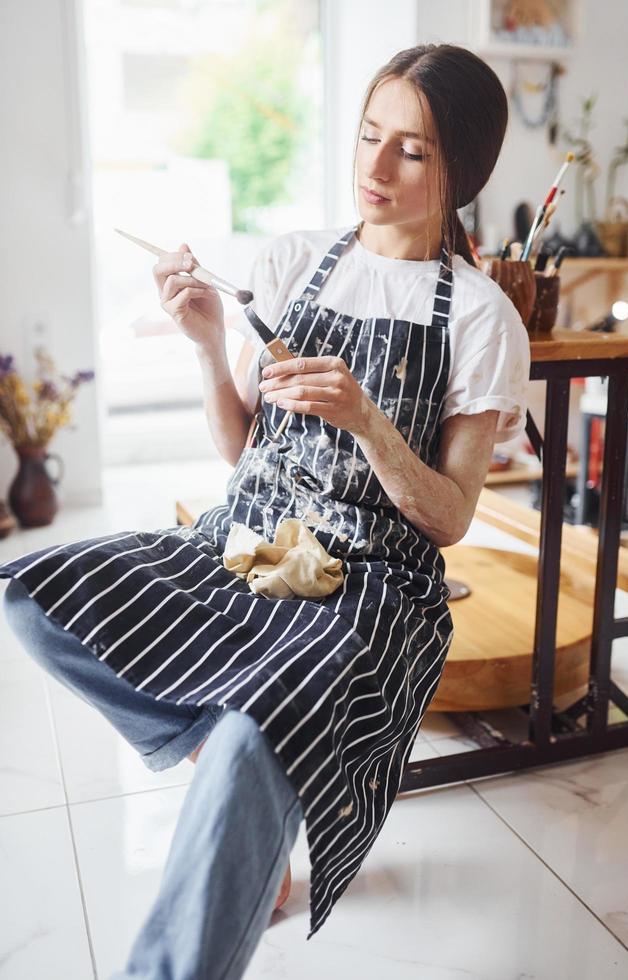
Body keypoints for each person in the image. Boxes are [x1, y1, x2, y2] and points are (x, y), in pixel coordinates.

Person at [1, 42, 530, 979]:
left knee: (257, 730)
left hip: (371, 586)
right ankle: (239, 756)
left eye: (411, 150)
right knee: (34, 598)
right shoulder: (295, 262)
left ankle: (236, 810)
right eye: (369, 135)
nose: (373, 168)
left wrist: (367, 419)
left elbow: (448, 519)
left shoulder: (483, 318)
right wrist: (207, 345)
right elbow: (245, 449)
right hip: (242, 542)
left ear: (465, 169)